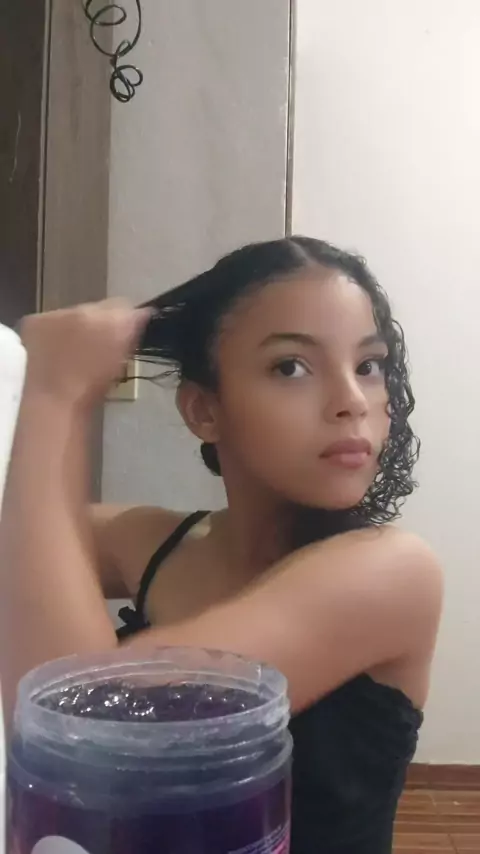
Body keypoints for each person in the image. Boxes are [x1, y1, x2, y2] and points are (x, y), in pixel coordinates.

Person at [0, 237, 442, 854]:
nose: (351, 402)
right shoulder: (156, 542)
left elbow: (83, 741)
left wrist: (55, 395)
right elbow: (27, 546)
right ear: (204, 410)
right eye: (291, 367)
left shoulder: (393, 574)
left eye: (369, 365)